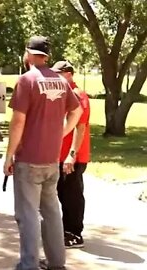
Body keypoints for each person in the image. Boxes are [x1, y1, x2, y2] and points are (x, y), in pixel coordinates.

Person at [4, 36, 83, 270]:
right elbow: (76, 112)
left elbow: (18, 122)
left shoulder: (27, 80)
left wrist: (9, 155)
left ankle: (28, 265)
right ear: (47, 56)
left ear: (28, 53)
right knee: (51, 213)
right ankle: (57, 263)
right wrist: (61, 133)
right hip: (51, 160)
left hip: (29, 159)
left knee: (27, 215)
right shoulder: (60, 81)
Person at [52, 60, 91, 249]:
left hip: (73, 156)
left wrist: (71, 155)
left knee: (72, 195)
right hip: (61, 155)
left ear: (68, 74)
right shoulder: (64, 95)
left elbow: (80, 127)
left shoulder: (78, 95)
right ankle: (66, 231)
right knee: (62, 193)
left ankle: (75, 233)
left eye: (57, 74)